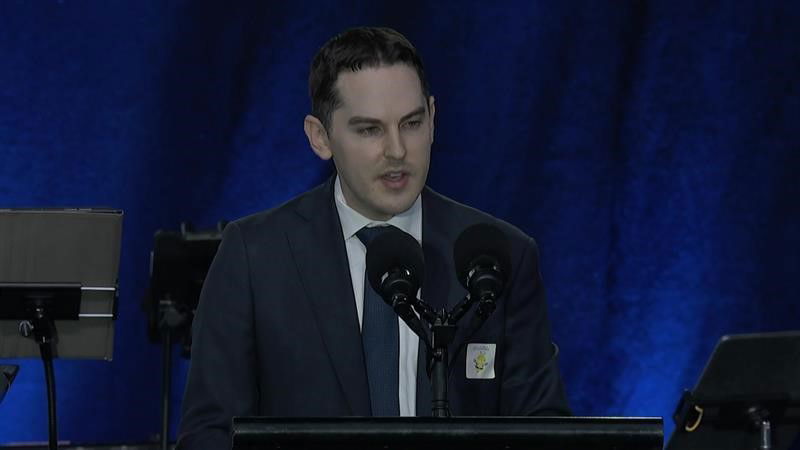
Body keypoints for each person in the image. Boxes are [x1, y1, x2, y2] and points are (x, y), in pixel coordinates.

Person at [177, 26, 569, 449]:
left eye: (412, 123)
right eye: (369, 130)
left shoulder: (500, 256)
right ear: (320, 137)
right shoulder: (254, 256)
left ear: (433, 119)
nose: (397, 150)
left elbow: (543, 428)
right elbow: (210, 436)